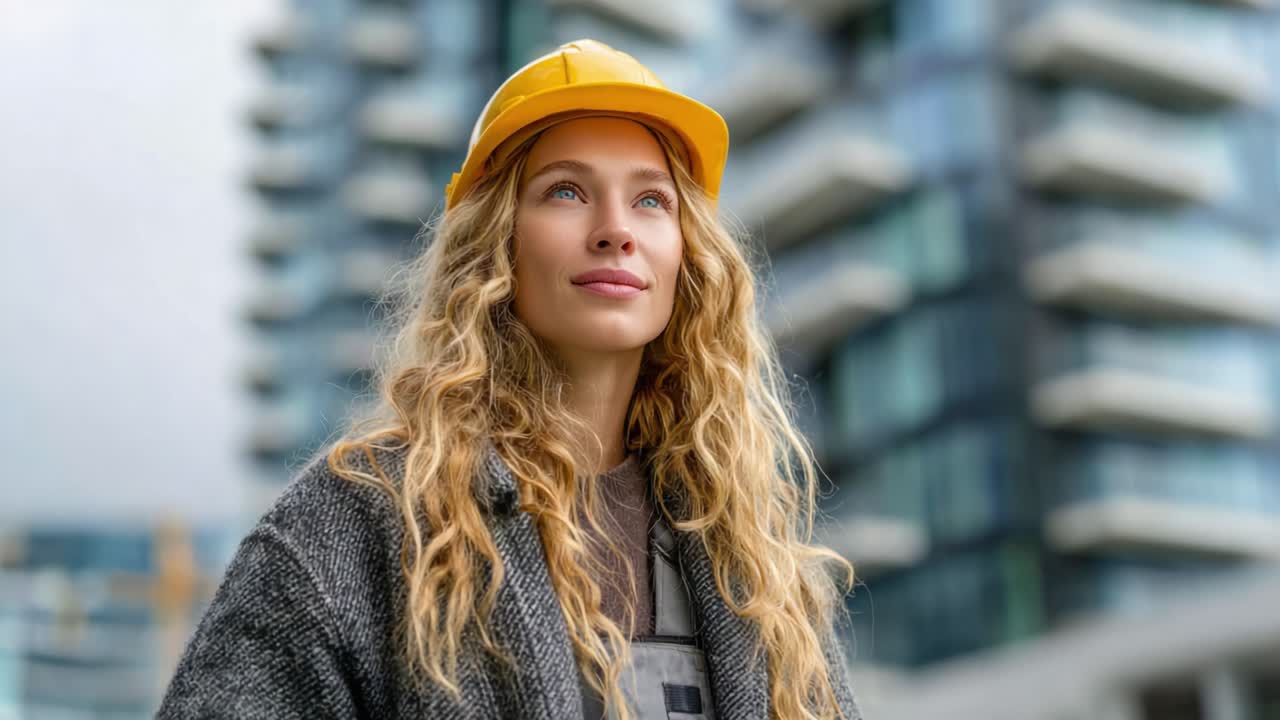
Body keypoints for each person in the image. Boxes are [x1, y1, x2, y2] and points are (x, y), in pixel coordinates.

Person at [159, 39, 863, 720]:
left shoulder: (751, 557)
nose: (616, 229)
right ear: (495, 242)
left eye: (651, 200)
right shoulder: (357, 523)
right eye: (565, 191)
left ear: (688, 254)